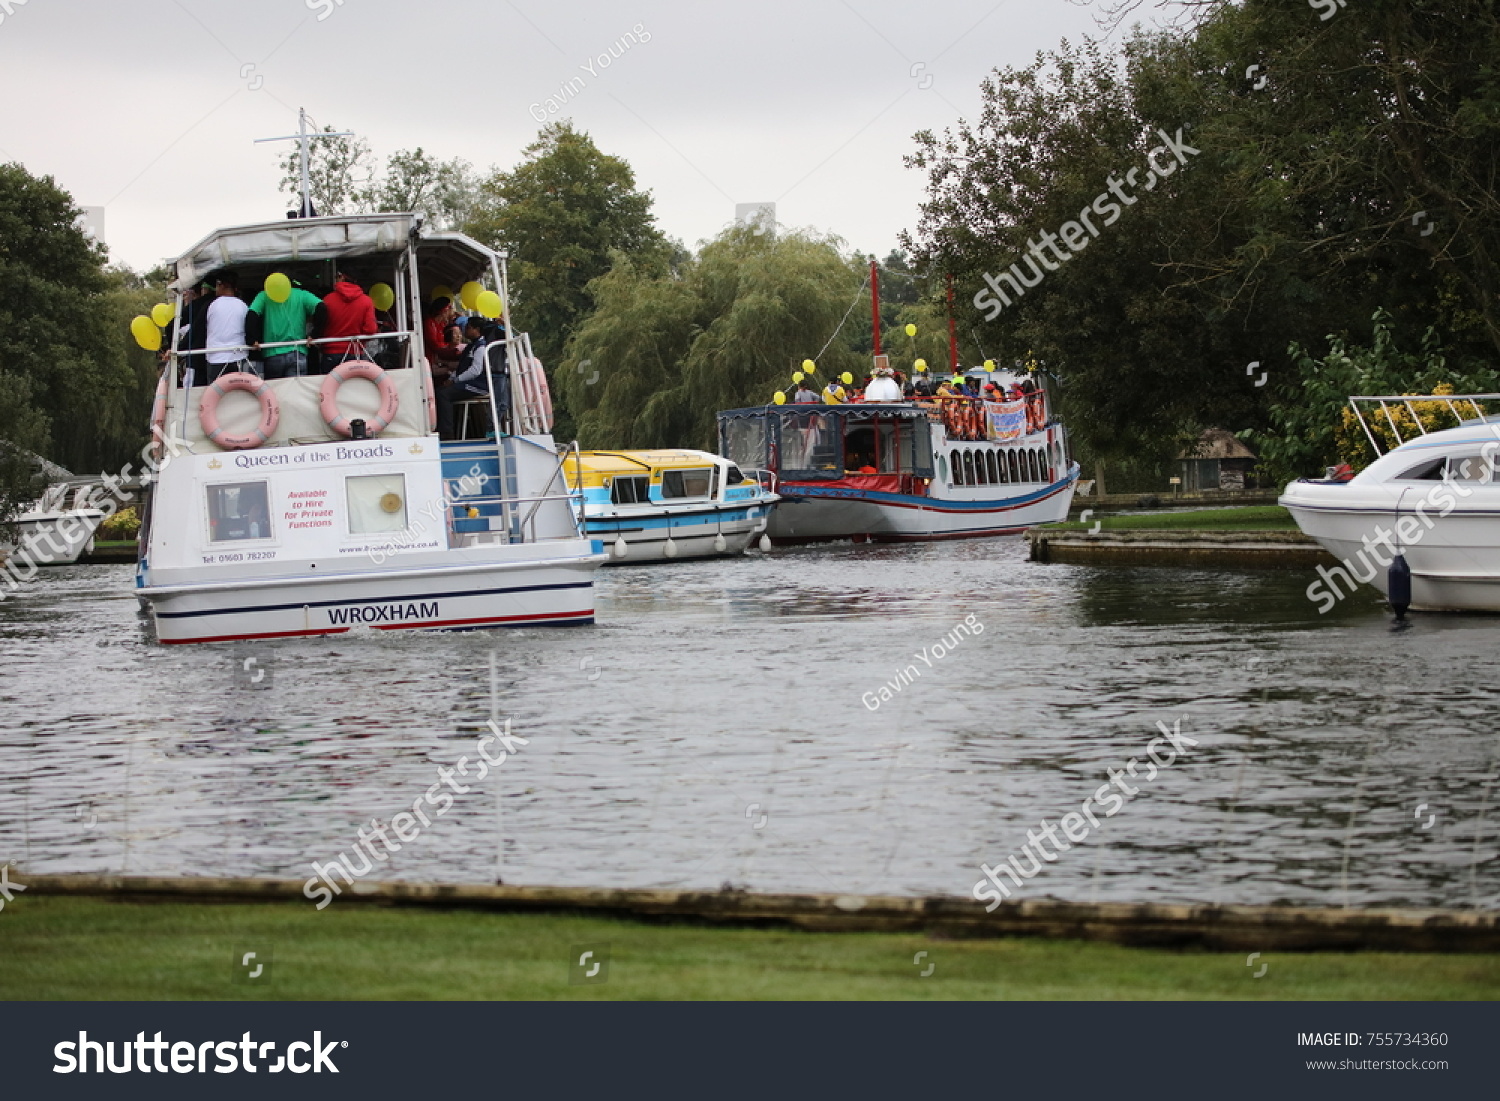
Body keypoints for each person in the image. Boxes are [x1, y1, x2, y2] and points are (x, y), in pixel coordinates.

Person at [437, 317, 508, 439]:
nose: (465, 330)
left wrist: (455, 380)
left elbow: (475, 370)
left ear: (477, 330)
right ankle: (443, 428)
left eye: (469, 327)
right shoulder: (471, 346)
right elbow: (462, 367)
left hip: (478, 384)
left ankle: (447, 433)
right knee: (440, 391)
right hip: (469, 382)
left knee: (444, 394)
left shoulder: (481, 347)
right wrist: (452, 378)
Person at [248, 278, 323, 379]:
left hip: (272, 352)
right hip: (298, 351)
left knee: (275, 391)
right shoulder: (301, 295)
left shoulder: (264, 295)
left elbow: (252, 314)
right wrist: (315, 333)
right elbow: (322, 308)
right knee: (295, 391)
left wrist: (252, 339)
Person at [317, 271, 376, 373]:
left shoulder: (327, 300)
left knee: (329, 387)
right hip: (355, 352)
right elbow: (370, 329)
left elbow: (320, 326)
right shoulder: (366, 301)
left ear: (342, 278)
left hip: (331, 352)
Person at [204, 270, 253, 380]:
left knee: (215, 395)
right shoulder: (243, 306)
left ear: (222, 285)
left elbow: (201, 328)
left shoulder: (212, 305)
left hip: (216, 359)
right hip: (240, 358)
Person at [423, 298, 461, 381]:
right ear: (444, 310)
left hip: (443, 357)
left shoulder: (443, 324)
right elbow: (434, 345)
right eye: (450, 308)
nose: (452, 311)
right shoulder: (430, 323)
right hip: (433, 360)